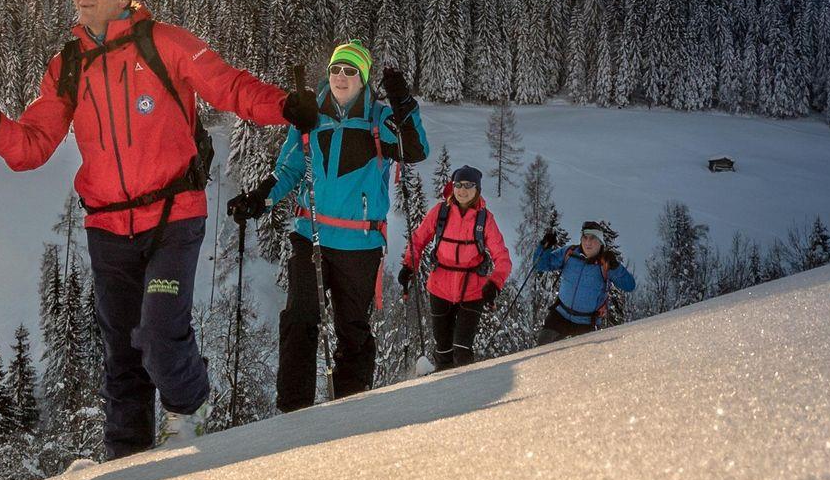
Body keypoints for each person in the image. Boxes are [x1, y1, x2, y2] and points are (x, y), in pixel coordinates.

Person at [0, 0, 317, 459]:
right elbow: (33, 146)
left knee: (159, 332)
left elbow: (229, 86)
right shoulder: (68, 66)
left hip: (173, 216)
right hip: (107, 228)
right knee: (122, 357)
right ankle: (126, 463)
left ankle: (189, 410)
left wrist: (284, 106)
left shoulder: (165, 43)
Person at [225, 41, 427, 411]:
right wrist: (260, 198)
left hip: (360, 243)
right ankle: (293, 411)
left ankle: (349, 412)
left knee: (352, 330)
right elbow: (289, 168)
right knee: (299, 318)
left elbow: (414, 150)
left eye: (350, 71)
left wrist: (404, 104)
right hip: (311, 235)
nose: (341, 77)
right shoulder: (310, 115)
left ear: (363, 78)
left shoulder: (379, 118)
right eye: (336, 69)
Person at [399, 164, 512, 369]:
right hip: (440, 288)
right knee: (443, 350)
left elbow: (502, 257)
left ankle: (466, 386)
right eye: (458, 184)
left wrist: (495, 283)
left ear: (477, 189)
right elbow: (418, 240)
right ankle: (444, 386)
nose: (462, 190)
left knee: (462, 350)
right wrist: (409, 265)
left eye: (468, 185)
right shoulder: (440, 212)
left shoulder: (484, 219)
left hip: (472, 290)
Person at [531, 220, 634, 344]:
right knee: (543, 347)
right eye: (585, 237)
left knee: (579, 356)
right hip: (559, 315)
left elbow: (629, 285)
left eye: (593, 238)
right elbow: (540, 265)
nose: (588, 242)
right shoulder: (569, 253)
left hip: (586, 322)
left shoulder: (605, 263)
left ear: (600, 242)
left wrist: (615, 267)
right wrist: (545, 247)